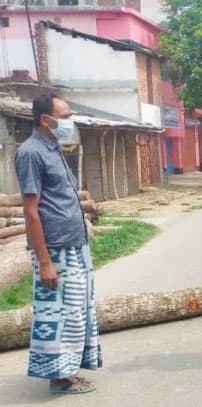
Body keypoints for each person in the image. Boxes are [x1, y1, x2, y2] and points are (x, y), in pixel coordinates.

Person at [15, 93, 101, 395]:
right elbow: (31, 210)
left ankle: (70, 370)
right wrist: (45, 261)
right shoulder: (31, 153)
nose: (70, 121)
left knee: (77, 312)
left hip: (74, 245)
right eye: (64, 116)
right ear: (45, 120)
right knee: (58, 314)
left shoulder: (55, 149)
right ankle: (59, 377)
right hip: (55, 251)